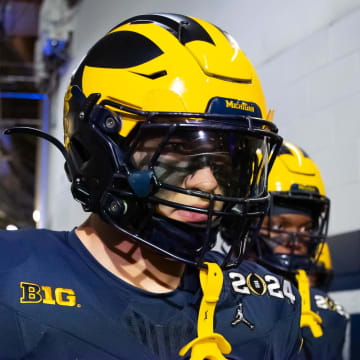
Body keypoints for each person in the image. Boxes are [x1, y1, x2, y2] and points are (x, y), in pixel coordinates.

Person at [0, 13, 302, 359]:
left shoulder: (269, 305)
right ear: (96, 149)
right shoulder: (10, 274)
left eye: (223, 161)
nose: (209, 183)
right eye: (175, 149)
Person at [252, 141, 349, 360]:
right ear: (247, 223)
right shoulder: (221, 293)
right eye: (280, 226)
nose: (296, 239)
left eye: (306, 228)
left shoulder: (324, 309)